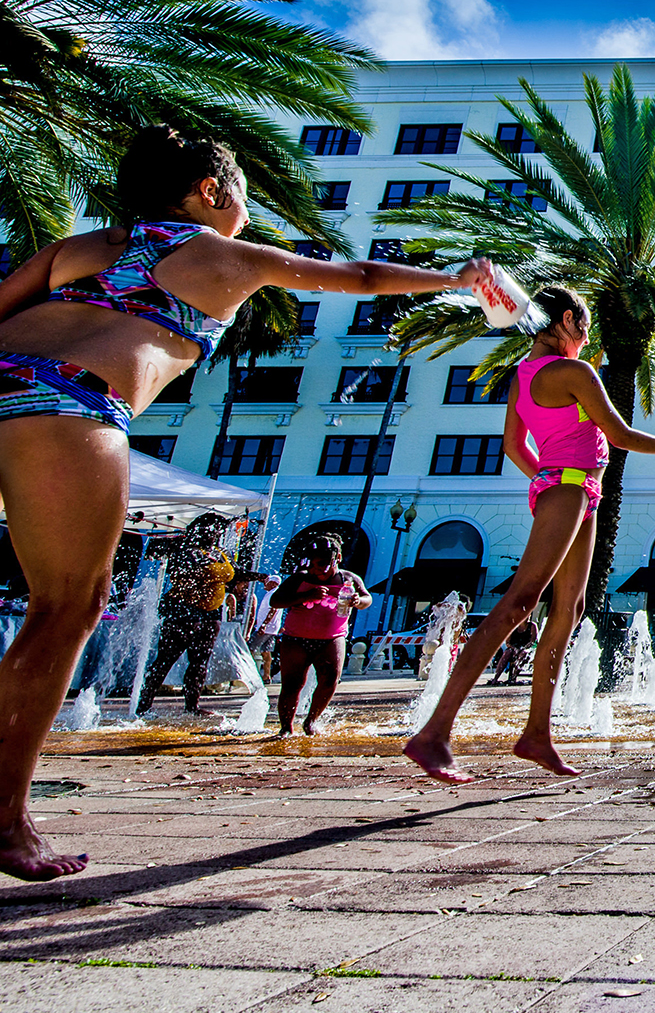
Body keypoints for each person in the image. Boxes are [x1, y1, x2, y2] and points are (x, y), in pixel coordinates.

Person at [0, 126, 491, 880]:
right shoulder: (216, 253)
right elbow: (355, 277)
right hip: (66, 400)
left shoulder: (84, 246)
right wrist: (454, 281)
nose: (250, 211)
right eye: (245, 195)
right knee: (65, 606)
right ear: (209, 193)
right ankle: (4, 820)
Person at [403, 287, 655, 782]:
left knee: (569, 610)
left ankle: (537, 734)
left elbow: (511, 445)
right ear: (567, 320)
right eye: (584, 331)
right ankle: (434, 732)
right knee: (520, 602)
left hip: (573, 489)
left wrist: (543, 479)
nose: (586, 343)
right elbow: (620, 435)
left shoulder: (524, 375)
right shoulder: (572, 372)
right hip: (568, 488)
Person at [136, 515, 266, 716]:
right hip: (183, 613)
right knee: (165, 660)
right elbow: (181, 574)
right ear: (199, 531)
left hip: (210, 614)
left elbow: (235, 573)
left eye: (217, 531)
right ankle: (143, 706)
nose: (215, 534)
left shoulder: (218, 553)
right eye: (210, 530)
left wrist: (259, 577)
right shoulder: (186, 552)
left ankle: (192, 706)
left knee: (200, 662)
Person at [269, 532, 369, 735]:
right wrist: (306, 595)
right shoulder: (300, 578)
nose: (316, 570)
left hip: (332, 638)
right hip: (296, 639)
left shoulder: (349, 579)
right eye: (312, 565)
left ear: (337, 559)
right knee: (292, 683)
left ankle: (311, 720)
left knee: (330, 679)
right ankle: (286, 728)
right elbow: (276, 601)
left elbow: (367, 598)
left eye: (322, 564)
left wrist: (358, 601)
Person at [241, 571, 285, 684]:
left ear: (273, 583)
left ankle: (249, 674)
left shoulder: (272, 594)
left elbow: (273, 610)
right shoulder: (277, 593)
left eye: (267, 582)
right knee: (266, 652)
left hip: (266, 628)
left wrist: (263, 625)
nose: (265, 584)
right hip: (272, 629)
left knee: (249, 648)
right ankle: (266, 676)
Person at [490, 619, 537, 686]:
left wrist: (522, 648)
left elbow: (532, 641)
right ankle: (495, 678)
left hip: (527, 649)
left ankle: (513, 678)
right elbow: (507, 642)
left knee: (523, 654)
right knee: (507, 653)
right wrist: (515, 649)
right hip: (514, 648)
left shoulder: (532, 626)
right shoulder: (513, 626)